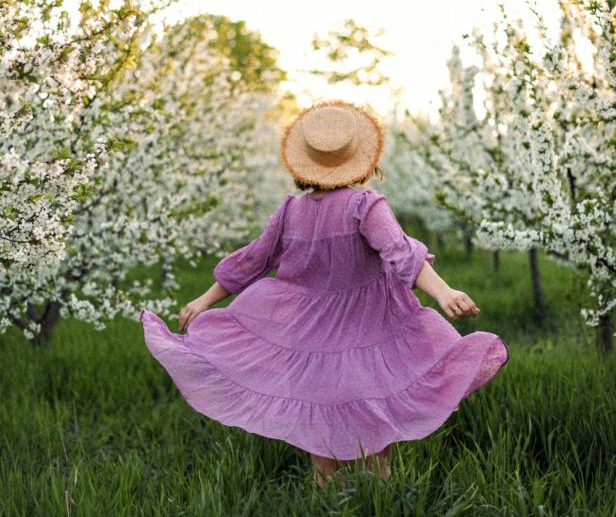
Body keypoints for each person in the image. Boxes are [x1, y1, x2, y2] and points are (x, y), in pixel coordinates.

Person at [140, 99, 510, 489]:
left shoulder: (290, 211)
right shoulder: (365, 206)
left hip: (309, 340)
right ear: (362, 158)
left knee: (322, 441)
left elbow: (252, 261)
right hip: (369, 337)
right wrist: (444, 291)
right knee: (376, 440)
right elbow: (401, 254)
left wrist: (204, 299)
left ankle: (330, 501)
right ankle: (375, 502)